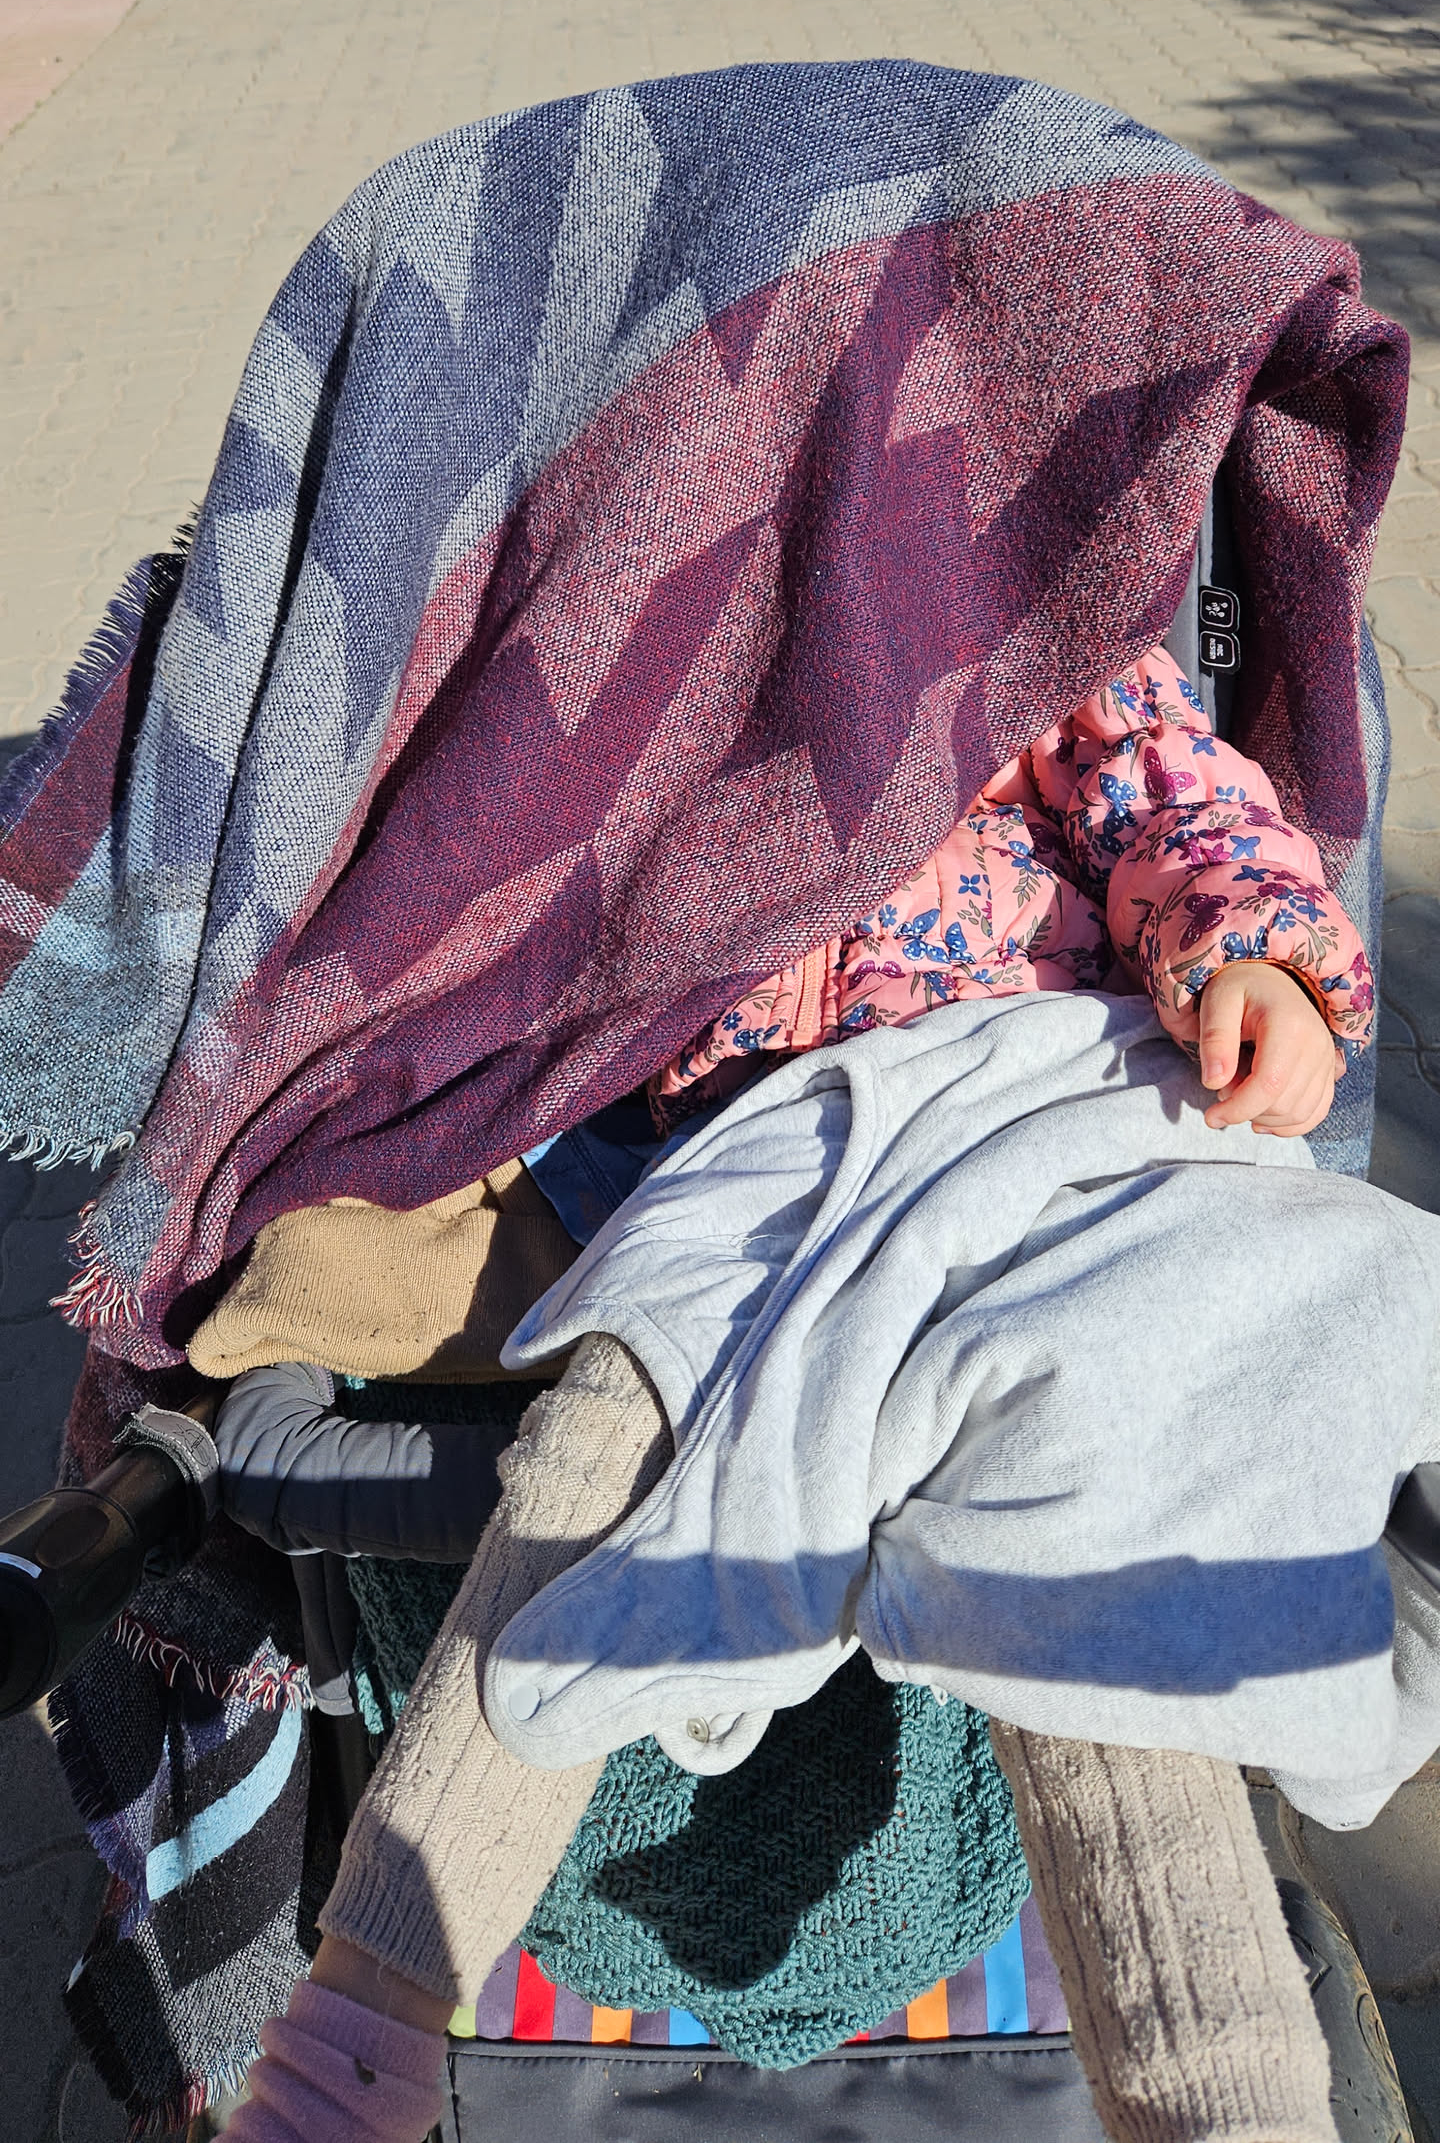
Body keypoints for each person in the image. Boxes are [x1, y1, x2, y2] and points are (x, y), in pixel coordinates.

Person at [219, 642, 1401, 2143]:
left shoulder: (1032, 610)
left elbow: (1173, 791)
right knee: (605, 1428)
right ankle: (350, 2047)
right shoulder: (646, 633)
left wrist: (1257, 955)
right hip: (773, 1148)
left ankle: (1228, 2104)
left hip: (1046, 1095)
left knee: (1093, 1545)